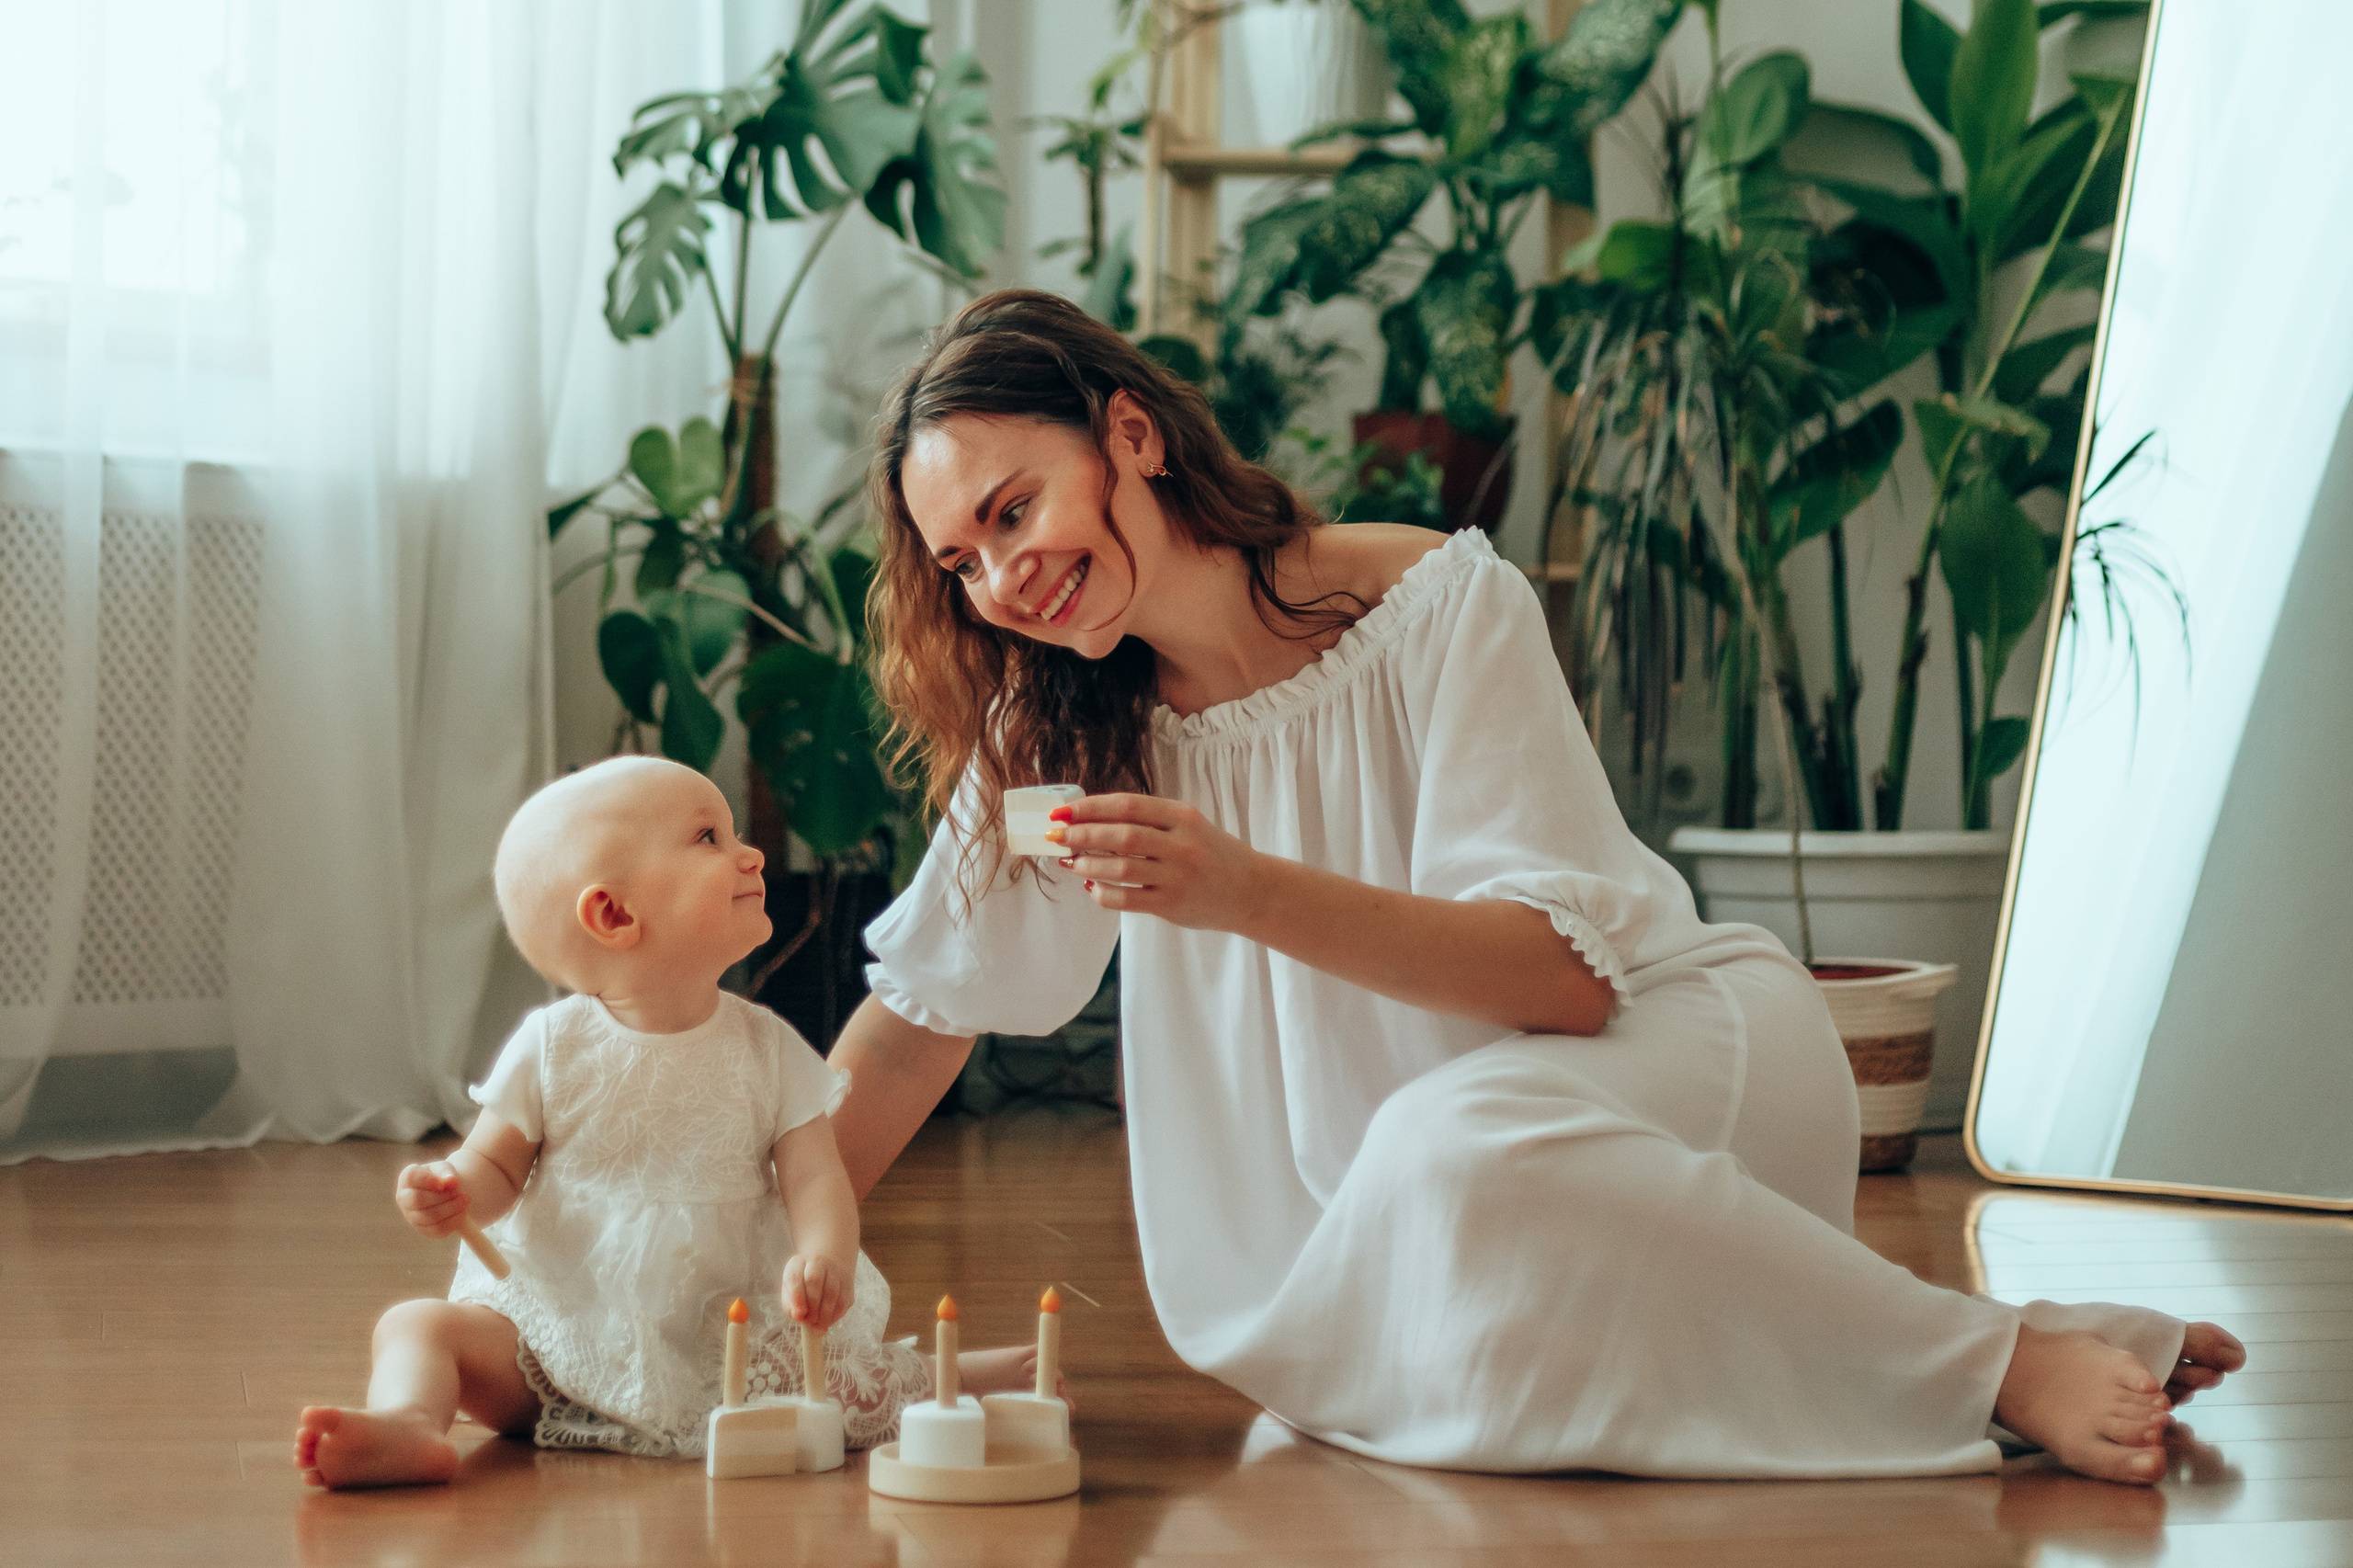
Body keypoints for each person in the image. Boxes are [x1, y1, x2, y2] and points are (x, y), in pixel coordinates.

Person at [824, 289, 2245, 1485]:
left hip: (1667, 1056)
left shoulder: (1435, 603)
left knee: (1452, 1156)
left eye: (1014, 510)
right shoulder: (1059, 730)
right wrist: (770, 1253)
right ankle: (1969, 1327)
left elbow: (1561, 980)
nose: (1004, 579)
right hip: (1426, 1199)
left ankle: (1994, 1365)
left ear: (1127, 433)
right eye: (962, 561)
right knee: (1435, 1264)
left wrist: (1243, 889)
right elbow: (918, 1017)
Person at [293, 757, 1039, 1489]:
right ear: (615, 914)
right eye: (708, 838)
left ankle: (955, 1376)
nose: (750, 853)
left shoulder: (767, 1048)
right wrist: (453, 1189)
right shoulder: (552, 1047)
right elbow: (494, 1169)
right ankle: (408, 1423)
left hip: (724, 1344)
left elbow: (816, 1176)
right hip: (554, 1342)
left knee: (830, 1382)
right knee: (417, 1325)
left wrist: (825, 1256)